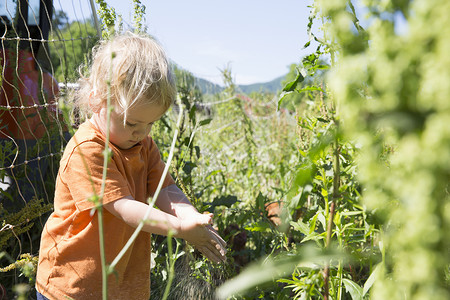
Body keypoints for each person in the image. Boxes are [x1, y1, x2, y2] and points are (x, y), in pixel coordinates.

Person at [35, 32, 227, 300]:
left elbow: (166, 190)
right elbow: (124, 208)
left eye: (151, 124)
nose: (142, 133)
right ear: (97, 100)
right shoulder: (87, 150)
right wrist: (180, 229)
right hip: (73, 285)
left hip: (120, 285)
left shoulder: (144, 146)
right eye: (132, 123)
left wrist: (190, 216)